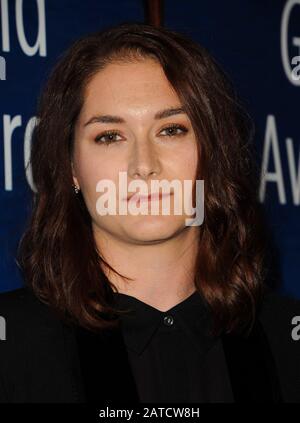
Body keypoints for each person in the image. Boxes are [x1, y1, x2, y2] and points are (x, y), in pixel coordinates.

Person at [0, 22, 299, 403]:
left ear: (212, 151)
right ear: (72, 168)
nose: (144, 165)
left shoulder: (285, 340)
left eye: (171, 130)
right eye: (110, 136)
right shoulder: (12, 345)